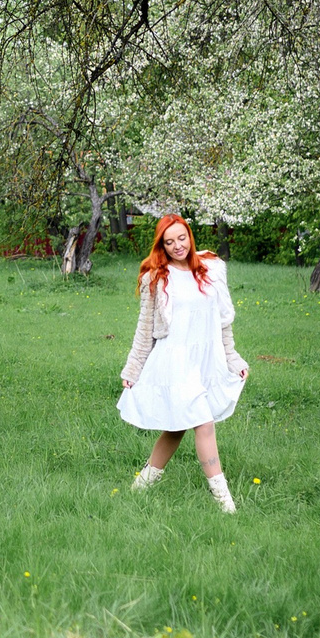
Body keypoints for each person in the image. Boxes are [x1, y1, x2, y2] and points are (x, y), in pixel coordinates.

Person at [117, 213, 247, 512]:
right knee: (203, 422)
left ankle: (142, 484)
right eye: (169, 241)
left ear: (189, 235)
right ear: (161, 244)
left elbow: (223, 321)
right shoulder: (157, 276)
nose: (177, 245)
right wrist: (133, 368)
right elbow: (145, 326)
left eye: (182, 238)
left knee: (176, 427)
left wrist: (232, 358)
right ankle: (224, 501)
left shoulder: (211, 269)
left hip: (205, 359)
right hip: (174, 360)